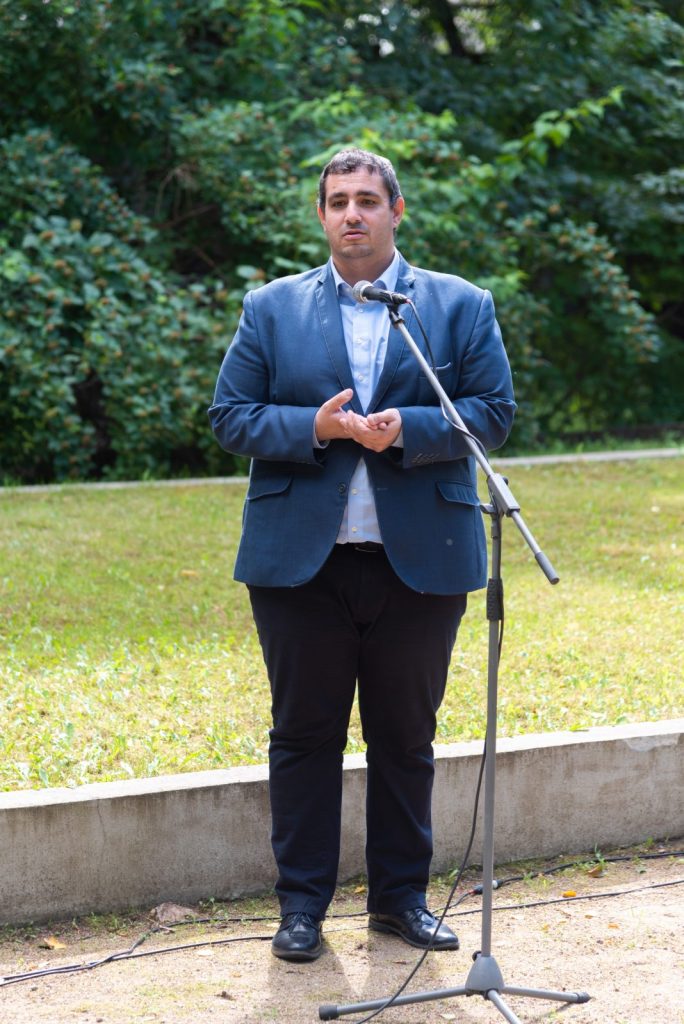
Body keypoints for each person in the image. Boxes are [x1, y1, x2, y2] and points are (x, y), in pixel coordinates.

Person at [208, 148, 516, 962]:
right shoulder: (271, 308)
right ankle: (301, 907)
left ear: (396, 211)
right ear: (321, 215)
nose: (353, 213)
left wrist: (408, 429)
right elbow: (231, 415)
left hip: (421, 560)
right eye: (338, 200)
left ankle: (400, 901)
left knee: (406, 738)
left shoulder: (458, 305)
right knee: (304, 735)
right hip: (300, 565)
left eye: (368, 200)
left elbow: (492, 412)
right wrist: (316, 427)